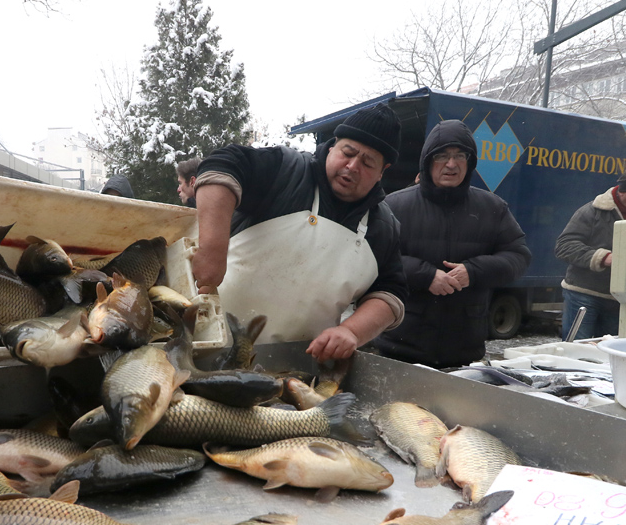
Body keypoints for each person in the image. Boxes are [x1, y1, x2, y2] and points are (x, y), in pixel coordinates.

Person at [191, 102, 407, 361]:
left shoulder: (384, 227)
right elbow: (223, 165)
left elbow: (390, 293)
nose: (352, 166)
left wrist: (352, 331)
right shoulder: (286, 171)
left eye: (368, 162)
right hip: (201, 341)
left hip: (294, 368)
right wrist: (212, 250)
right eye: (347, 152)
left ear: (383, 172)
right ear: (333, 145)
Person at [373, 120, 531, 367]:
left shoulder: (492, 208)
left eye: (460, 155)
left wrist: (473, 271)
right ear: (427, 161)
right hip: (400, 349)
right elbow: (373, 258)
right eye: (442, 156)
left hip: (465, 353)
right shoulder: (394, 206)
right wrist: (425, 276)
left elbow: (519, 257)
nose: (451, 163)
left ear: (470, 162)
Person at [554, 164, 626, 339]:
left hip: (624, 298)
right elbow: (564, 245)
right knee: (580, 348)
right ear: (623, 190)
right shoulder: (592, 211)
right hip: (585, 293)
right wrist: (603, 257)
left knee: (610, 351)